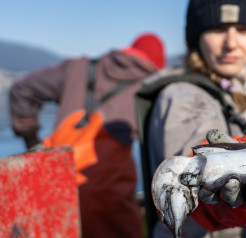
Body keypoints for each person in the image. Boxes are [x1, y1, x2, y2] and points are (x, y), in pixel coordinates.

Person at [137, 1, 246, 237]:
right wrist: (227, 191)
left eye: (242, 29)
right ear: (195, 38)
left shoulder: (242, 93)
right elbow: (191, 177)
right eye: (218, 30)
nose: (231, 43)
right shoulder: (184, 97)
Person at [9, 33, 166, 238]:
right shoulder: (153, 86)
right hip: (108, 193)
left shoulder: (77, 67)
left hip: (50, 174)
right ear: (158, 62)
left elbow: (22, 90)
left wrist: (32, 143)